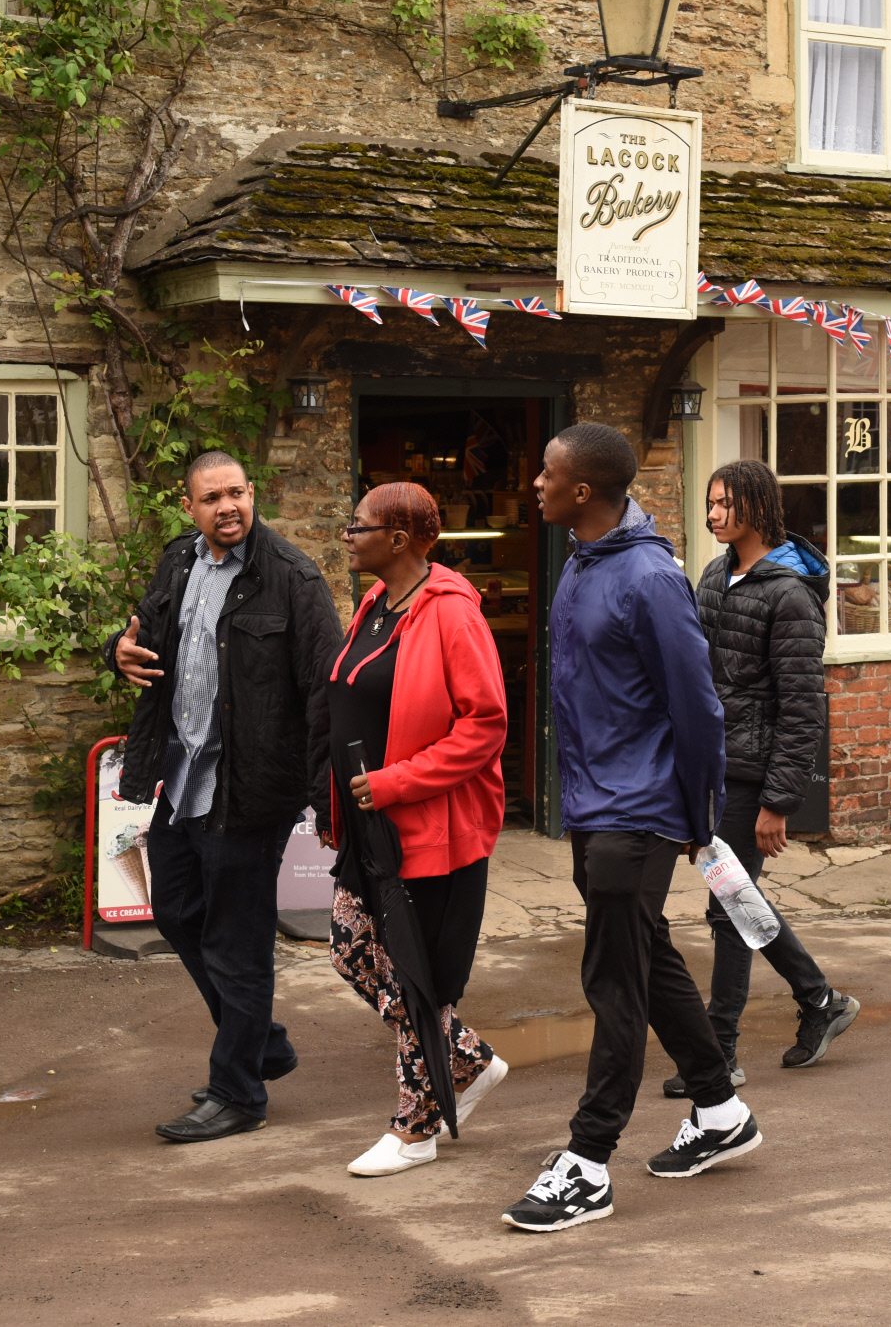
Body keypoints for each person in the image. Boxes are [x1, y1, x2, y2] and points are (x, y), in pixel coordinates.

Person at [501, 423, 758, 1234]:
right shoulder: (583, 561)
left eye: (547, 473)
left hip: (636, 812)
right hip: (596, 804)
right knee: (646, 955)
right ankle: (719, 1112)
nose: (534, 483)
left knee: (613, 981)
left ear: (583, 491)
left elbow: (699, 707)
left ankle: (588, 1162)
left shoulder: (649, 577)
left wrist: (698, 815)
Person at [107, 450, 341, 1143]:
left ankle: (239, 1091)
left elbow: (326, 689)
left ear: (251, 493)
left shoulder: (293, 577)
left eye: (237, 492)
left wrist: (326, 800)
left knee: (238, 945)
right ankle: (261, 1042)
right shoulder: (179, 563)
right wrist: (114, 654)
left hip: (251, 791)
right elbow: (139, 644)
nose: (227, 507)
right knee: (177, 911)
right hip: (180, 781)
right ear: (192, 508)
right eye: (212, 498)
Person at [313, 481, 513, 1177]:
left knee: (416, 973)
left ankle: (416, 1128)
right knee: (351, 949)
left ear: (397, 540)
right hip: (372, 827)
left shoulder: (454, 615)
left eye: (357, 526)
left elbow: (485, 726)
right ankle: (464, 1059)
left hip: (434, 828)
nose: (347, 535)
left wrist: (395, 782)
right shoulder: (376, 603)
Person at [667, 457, 858, 1099]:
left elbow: (803, 706)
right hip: (715, 767)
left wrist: (780, 801)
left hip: (753, 774)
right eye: (711, 502)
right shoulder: (716, 574)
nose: (713, 513)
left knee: (728, 905)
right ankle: (820, 998)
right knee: (736, 895)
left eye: (724, 504)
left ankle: (720, 1051)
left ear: (755, 507)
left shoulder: (791, 595)